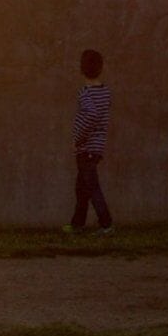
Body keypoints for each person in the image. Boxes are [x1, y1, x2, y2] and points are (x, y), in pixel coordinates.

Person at [67, 48, 114, 233]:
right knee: (82, 188)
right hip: (96, 147)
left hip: (85, 148)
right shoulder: (105, 92)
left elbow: (91, 115)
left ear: (81, 69)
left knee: (92, 188)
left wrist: (77, 139)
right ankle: (77, 224)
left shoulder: (85, 93)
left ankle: (106, 223)